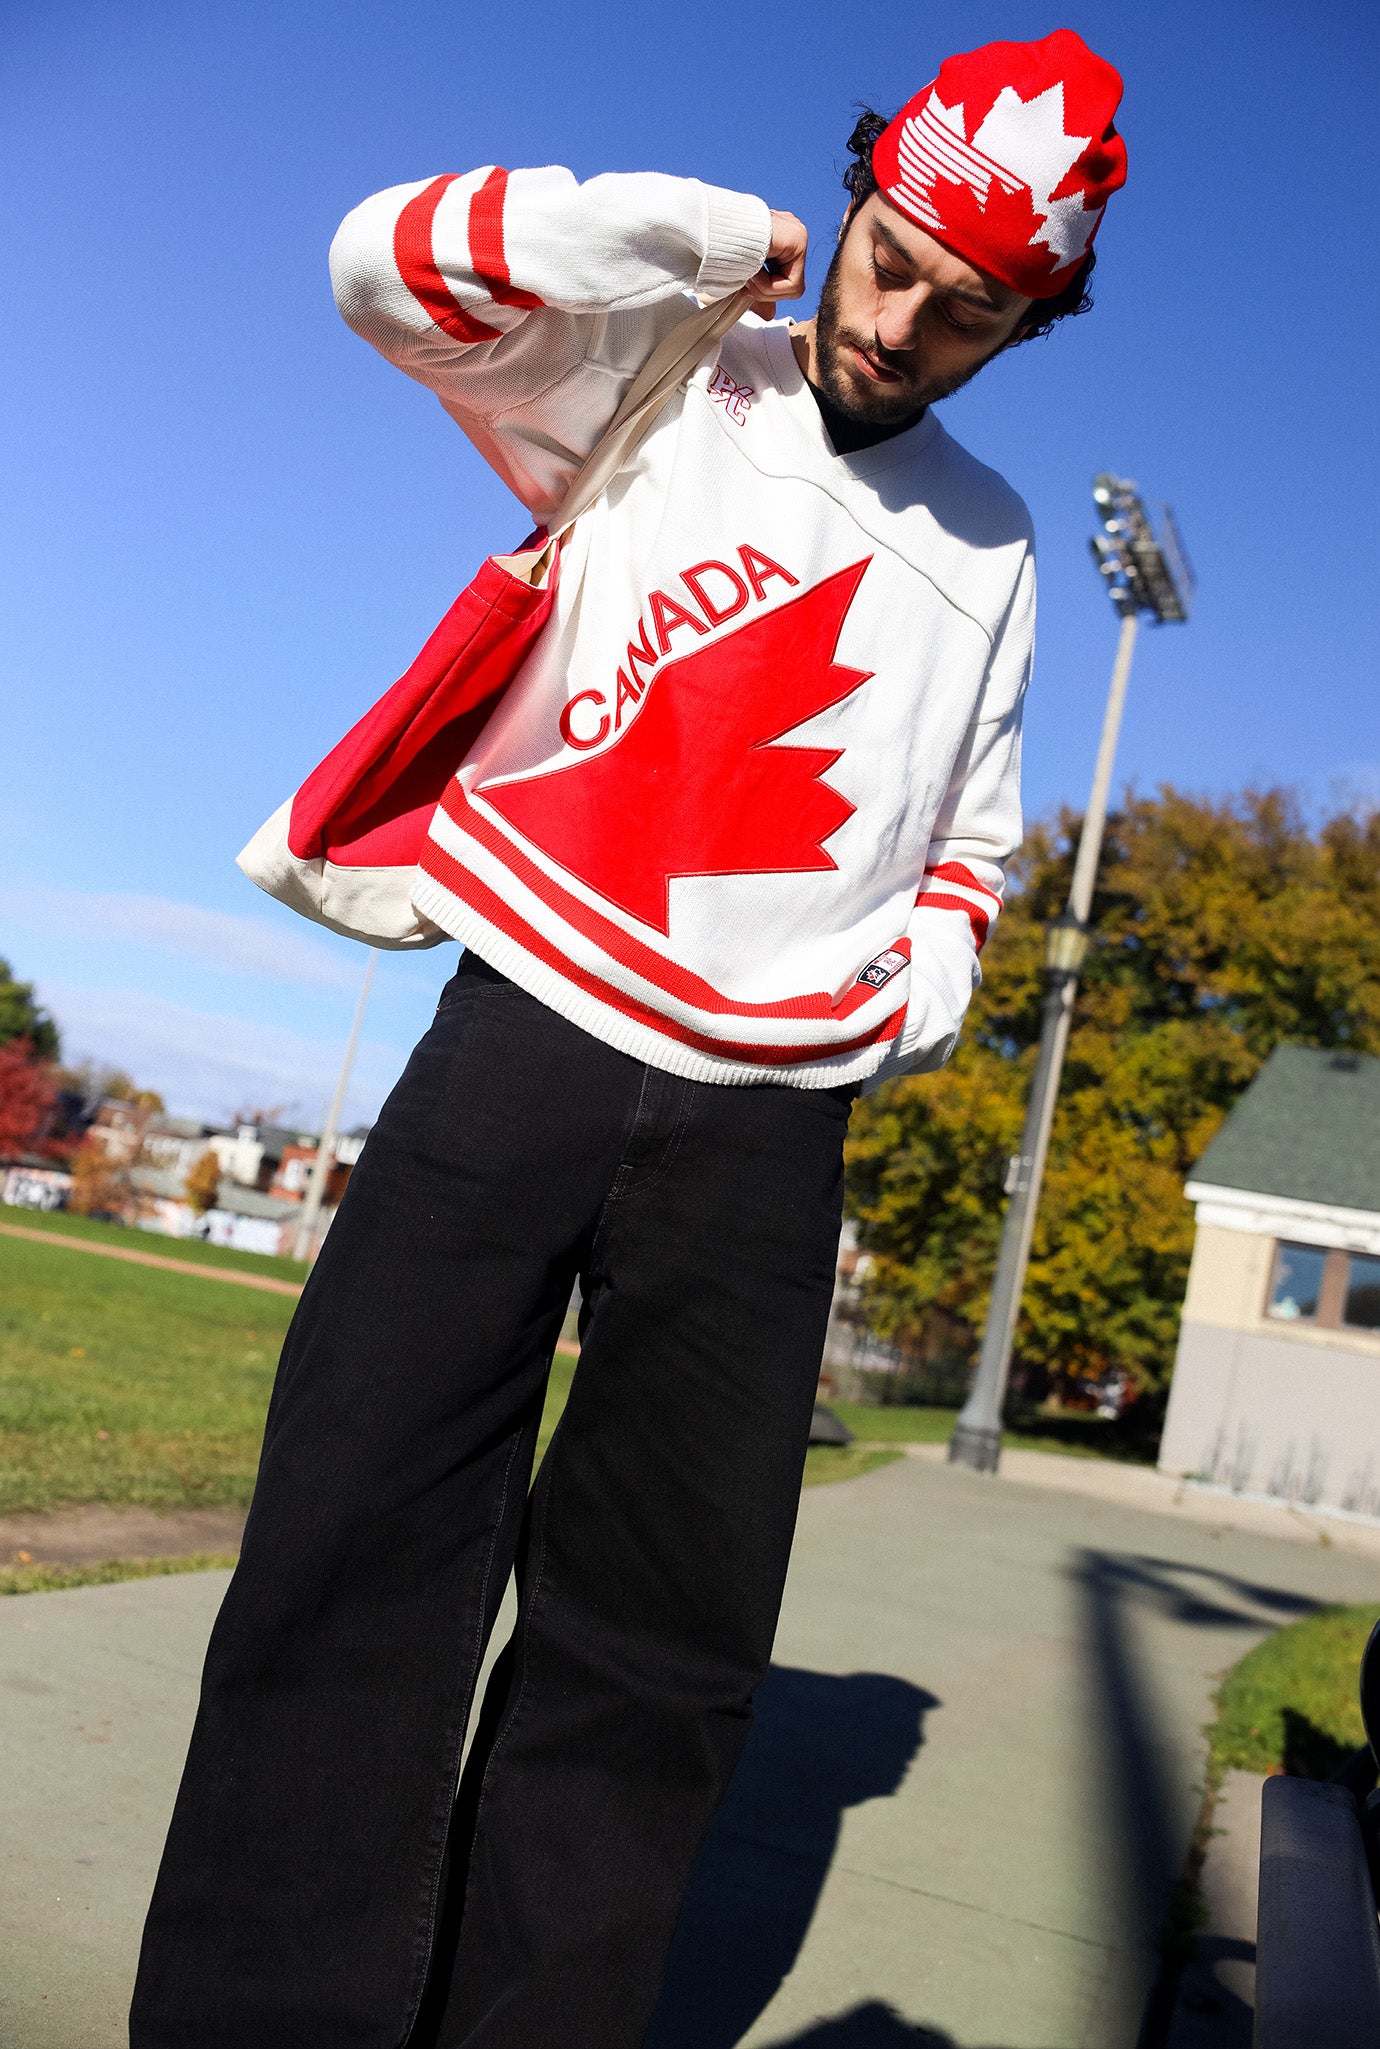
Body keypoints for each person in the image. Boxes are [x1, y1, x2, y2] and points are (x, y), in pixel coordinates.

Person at [130, 29, 1127, 2048]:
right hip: (527, 1029)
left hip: (774, 1117)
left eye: (971, 306)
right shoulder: (665, 357)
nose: (905, 319)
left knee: (658, 1645)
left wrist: (901, 997)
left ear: (1032, 324)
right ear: (848, 200)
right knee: (358, 1542)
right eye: (888, 256)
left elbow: (983, 836)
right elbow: (385, 264)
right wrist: (706, 237)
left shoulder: (1004, 540)